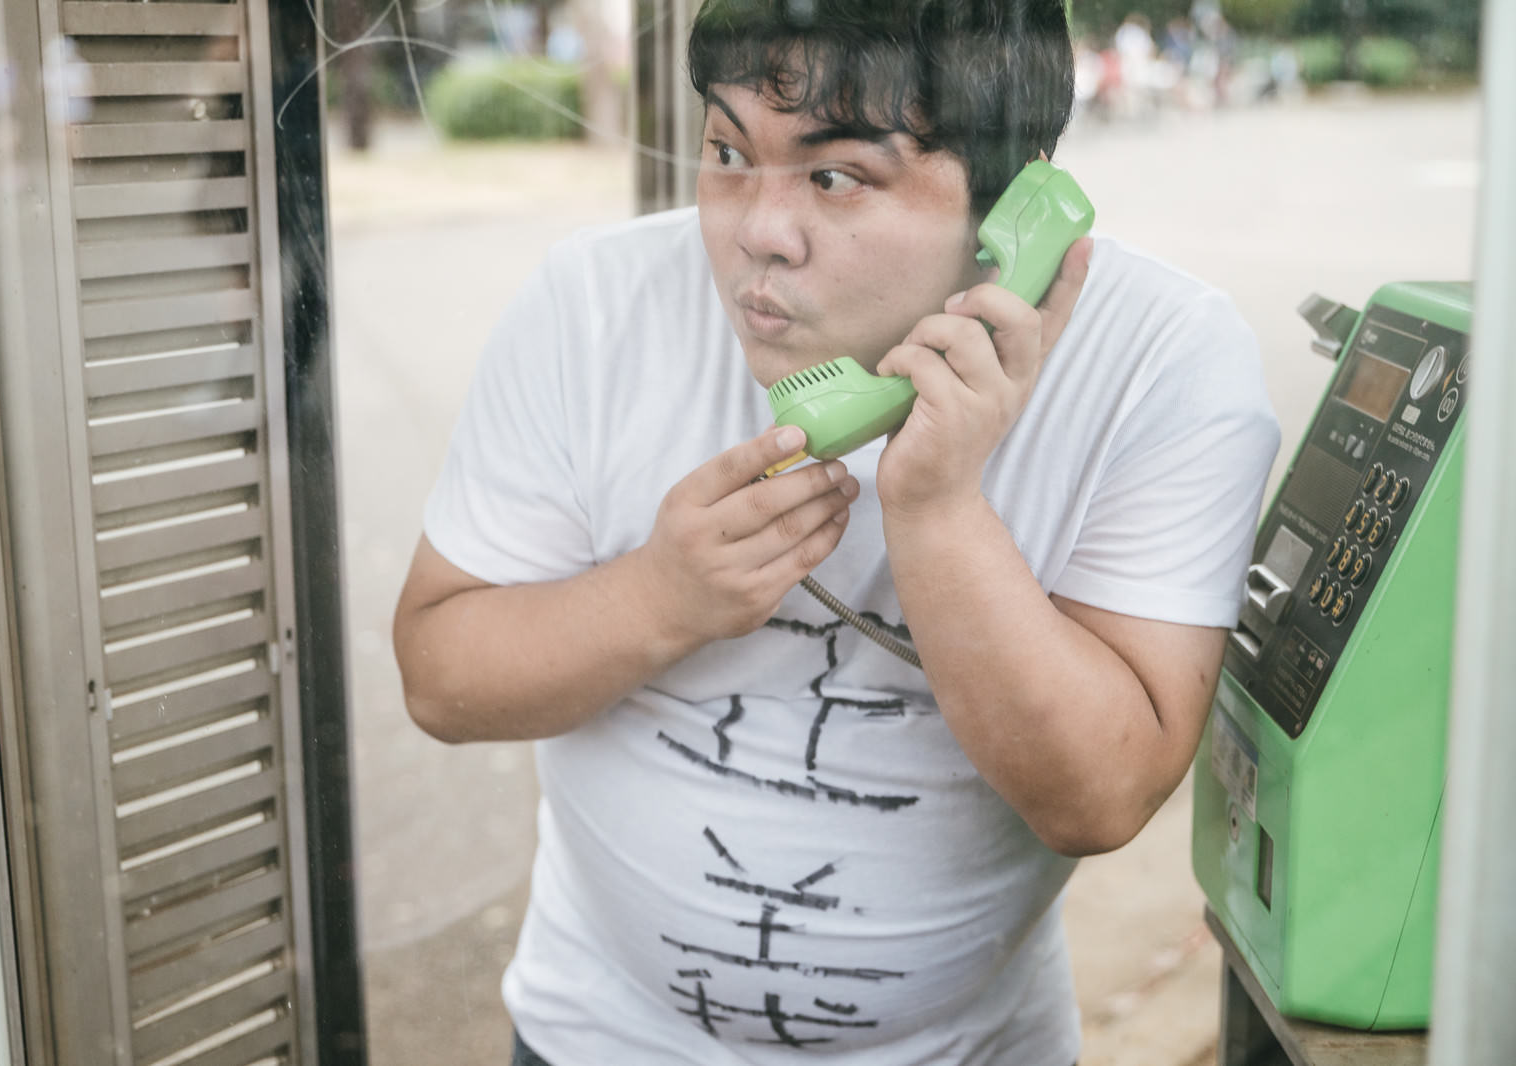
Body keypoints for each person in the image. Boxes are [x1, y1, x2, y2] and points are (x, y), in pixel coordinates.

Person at [393, 0, 1279, 1062]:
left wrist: (939, 508)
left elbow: (1098, 792)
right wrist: (656, 599)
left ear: (1012, 200)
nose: (756, 230)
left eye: (835, 176)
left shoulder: (1164, 365)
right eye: (726, 151)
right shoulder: (592, 304)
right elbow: (439, 675)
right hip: (597, 1032)